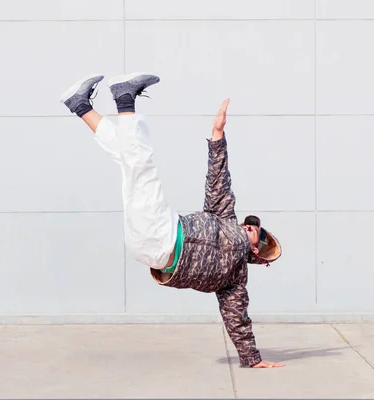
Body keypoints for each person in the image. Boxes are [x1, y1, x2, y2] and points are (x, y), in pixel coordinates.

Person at [60, 73, 283, 368]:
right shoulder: (225, 218)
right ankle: (80, 105)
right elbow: (219, 178)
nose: (254, 227)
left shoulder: (235, 279)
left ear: (257, 252)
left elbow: (237, 318)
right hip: (159, 235)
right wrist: (217, 135)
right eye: (255, 225)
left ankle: (124, 97)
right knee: (129, 160)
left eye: (261, 235)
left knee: (140, 163)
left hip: (163, 243)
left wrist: (252, 359)